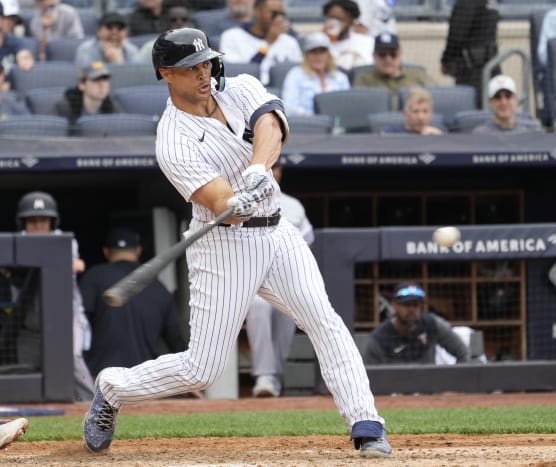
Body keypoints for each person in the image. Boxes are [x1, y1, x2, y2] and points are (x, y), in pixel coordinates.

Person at [82, 28, 391, 458]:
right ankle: (112, 388)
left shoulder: (239, 87)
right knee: (201, 369)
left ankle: (366, 425)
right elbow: (219, 201)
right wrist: (235, 200)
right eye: (191, 69)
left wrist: (258, 170)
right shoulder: (173, 140)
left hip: (279, 233)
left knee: (324, 320)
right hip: (223, 246)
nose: (204, 73)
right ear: (166, 74)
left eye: (206, 63)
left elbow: (271, 123)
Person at [14, 191, 94, 401]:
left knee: (71, 360)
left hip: (66, 317)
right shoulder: (17, 241)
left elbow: (78, 265)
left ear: (52, 222)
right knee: (27, 368)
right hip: (28, 321)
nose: (39, 226)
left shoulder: (64, 240)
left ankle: (96, 405)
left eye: (43, 220)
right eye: (32, 221)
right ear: (23, 223)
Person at [79, 227, 187, 378]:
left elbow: (77, 324)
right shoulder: (158, 287)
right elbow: (175, 339)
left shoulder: (93, 278)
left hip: (100, 378)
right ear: (138, 251)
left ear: (106, 251)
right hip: (141, 381)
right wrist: (188, 375)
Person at [246, 162, 314, 397]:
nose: (271, 173)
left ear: (279, 172)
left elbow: (308, 243)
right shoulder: (243, 200)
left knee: (289, 311)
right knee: (258, 305)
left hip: (286, 277)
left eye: (274, 168)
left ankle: (276, 376)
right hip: (253, 278)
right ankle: (265, 375)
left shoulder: (293, 205)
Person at [362, 283, 469, 364]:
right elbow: (369, 375)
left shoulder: (431, 324)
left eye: (416, 304)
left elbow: (463, 352)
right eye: (407, 304)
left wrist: (456, 386)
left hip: (430, 389)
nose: (412, 310)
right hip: (394, 391)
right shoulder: (380, 338)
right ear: (394, 305)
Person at [218, 0, 302, 86]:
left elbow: (299, 75)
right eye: (274, 14)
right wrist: (268, 44)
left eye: (281, 14)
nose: (279, 19)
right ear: (257, 11)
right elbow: (241, 74)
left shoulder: (290, 42)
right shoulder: (232, 37)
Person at [352, 32, 435, 111]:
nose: (388, 59)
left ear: (400, 55)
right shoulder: (363, 79)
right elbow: (358, 107)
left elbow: (436, 97)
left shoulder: (418, 75)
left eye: (393, 54)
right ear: (374, 56)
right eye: (382, 54)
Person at [440, 0, 499, 103]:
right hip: (492, 66)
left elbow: (457, 35)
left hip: (471, 70)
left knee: (472, 108)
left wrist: (446, 60)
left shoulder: (467, 2)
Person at [281, 31, 349, 116]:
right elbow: (289, 108)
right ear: (306, 55)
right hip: (307, 125)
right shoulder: (295, 75)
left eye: (322, 52)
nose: (318, 56)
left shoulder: (340, 78)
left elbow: (346, 107)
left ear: (328, 54)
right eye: (313, 52)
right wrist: (315, 118)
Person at [55, 61, 121, 125]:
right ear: (82, 85)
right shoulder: (65, 108)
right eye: (96, 80)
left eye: (105, 79)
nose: (102, 84)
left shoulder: (112, 108)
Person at [472, 74, 543, 134]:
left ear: (516, 100)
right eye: (497, 97)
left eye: (508, 96)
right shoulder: (481, 134)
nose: (503, 102)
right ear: (490, 103)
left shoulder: (533, 132)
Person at [75, 12, 140, 69]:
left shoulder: (132, 50)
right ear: (98, 31)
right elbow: (88, 79)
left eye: (120, 28)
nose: (114, 32)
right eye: (109, 27)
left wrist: (118, 62)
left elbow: (135, 78)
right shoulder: (86, 50)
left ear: (126, 33)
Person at [322, 0, 374, 72]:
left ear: (351, 20)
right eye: (331, 18)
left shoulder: (367, 42)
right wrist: (322, 38)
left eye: (339, 19)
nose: (333, 23)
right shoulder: (321, 44)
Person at [381, 87, 446, 135]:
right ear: (405, 114)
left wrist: (439, 138)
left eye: (425, 111)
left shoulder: (439, 131)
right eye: (415, 111)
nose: (421, 117)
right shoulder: (391, 132)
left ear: (431, 113)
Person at [0, 0, 34, 73]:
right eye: (8, 18)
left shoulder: (15, 41)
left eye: (13, 19)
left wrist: (24, 58)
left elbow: (24, 56)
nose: (11, 22)